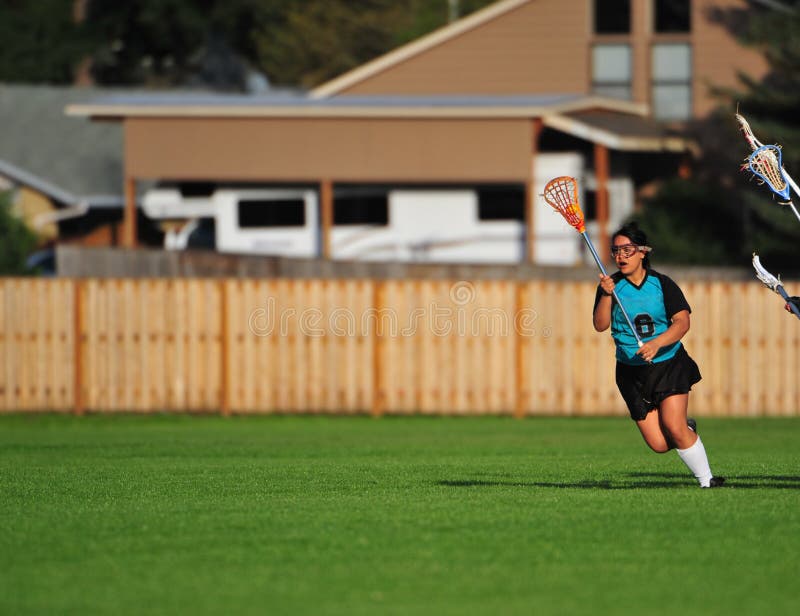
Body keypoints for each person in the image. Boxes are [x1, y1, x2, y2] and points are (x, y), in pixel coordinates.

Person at [592, 222, 725, 488]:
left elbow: (682, 323)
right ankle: (687, 429)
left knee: (674, 427)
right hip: (630, 372)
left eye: (627, 250)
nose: (620, 256)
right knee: (660, 444)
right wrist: (606, 295)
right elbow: (600, 325)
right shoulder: (610, 286)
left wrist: (656, 344)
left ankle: (707, 480)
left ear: (643, 252)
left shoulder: (662, 284)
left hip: (668, 364)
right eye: (616, 251)